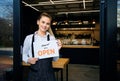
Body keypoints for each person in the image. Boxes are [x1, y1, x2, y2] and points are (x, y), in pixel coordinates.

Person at [22, 12, 62, 81]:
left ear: (49, 25)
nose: (45, 25)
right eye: (43, 22)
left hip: (49, 75)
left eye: (47, 23)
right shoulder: (29, 38)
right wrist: (28, 60)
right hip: (34, 74)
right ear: (38, 22)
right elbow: (24, 55)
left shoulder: (52, 39)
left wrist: (57, 50)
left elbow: (55, 59)